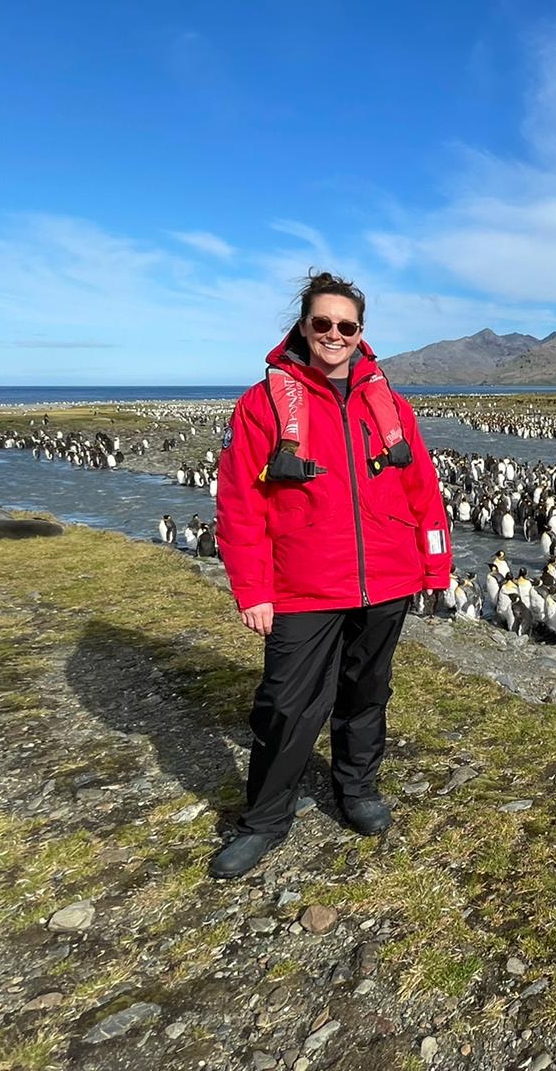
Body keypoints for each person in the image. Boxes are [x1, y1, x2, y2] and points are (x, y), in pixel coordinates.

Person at [208, 270, 451, 879]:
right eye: (323, 324)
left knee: (366, 694)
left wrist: (435, 562)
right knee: (287, 706)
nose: (334, 334)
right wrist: (253, 589)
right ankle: (264, 820)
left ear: (361, 332)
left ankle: (357, 789)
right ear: (304, 327)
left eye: (346, 325)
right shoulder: (264, 403)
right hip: (302, 584)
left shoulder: (390, 405)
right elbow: (240, 502)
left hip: (388, 577)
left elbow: (422, 488)